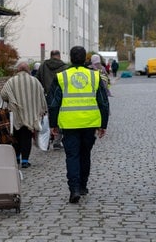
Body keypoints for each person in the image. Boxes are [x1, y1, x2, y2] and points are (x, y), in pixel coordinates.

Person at [47, 46, 109, 204]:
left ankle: (74, 189)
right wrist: (103, 124)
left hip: (69, 123)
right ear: (85, 58)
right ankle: (82, 186)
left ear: (71, 58)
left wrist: (53, 124)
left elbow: (53, 103)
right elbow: (103, 102)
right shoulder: (95, 76)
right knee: (85, 154)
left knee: (72, 156)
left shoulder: (62, 77)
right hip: (90, 122)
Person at [1, 62, 47, 168]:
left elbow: (3, 94)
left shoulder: (11, 81)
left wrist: (11, 100)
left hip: (15, 115)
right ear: (28, 70)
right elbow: (42, 95)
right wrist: (41, 110)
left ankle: (16, 157)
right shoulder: (35, 81)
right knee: (26, 138)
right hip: (31, 116)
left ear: (18, 70)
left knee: (15, 137)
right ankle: (25, 160)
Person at [36, 50, 68, 150]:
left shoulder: (43, 66)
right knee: (59, 117)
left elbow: (37, 80)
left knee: (46, 118)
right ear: (59, 56)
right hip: (60, 95)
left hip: (46, 96)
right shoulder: (64, 67)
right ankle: (57, 141)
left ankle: (46, 139)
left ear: (50, 56)